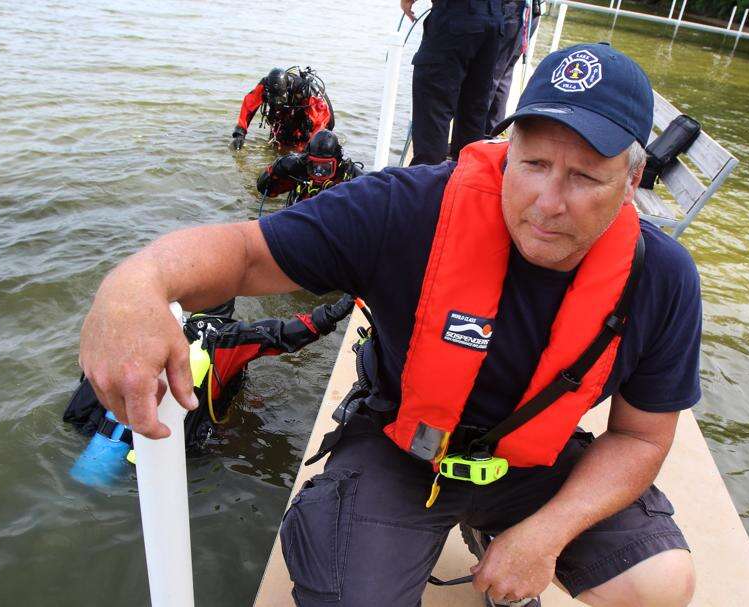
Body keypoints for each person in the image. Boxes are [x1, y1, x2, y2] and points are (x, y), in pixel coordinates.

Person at [80, 44, 699, 607]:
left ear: (631, 180)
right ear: (507, 151)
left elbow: (641, 437)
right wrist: (136, 282)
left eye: (585, 176)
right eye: (532, 163)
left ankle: (499, 527)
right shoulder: (408, 209)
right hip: (403, 445)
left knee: (661, 585)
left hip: (533, 466)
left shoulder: (662, 278)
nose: (548, 201)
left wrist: (547, 531)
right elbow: (245, 253)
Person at [403, 0, 504, 166]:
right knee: (474, 110)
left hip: (454, 18)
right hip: (494, 19)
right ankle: (466, 181)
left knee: (434, 110)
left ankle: (428, 185)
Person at [231, 66, 335, 152]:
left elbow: (321, 122)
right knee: (276, 147)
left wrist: (311, 149)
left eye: (280, 98)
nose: (277, 101)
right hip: (284, 117)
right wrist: (240, 134)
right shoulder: (265, 86)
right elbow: (249, 105)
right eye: (274, 98)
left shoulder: (305, 92)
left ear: (287, 89)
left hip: (307, 120)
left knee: (302, 152)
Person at [256, 130, 364, 207]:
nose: (319, 172)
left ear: (338, 162)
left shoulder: (350, 177)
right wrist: (277, 167)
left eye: (326, 167)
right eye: (314, 165)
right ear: (307, 160)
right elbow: (264, 189)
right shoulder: (301, 170)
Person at [486, 0, 542, 135]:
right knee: (503, 74)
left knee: (490, 75)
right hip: (528, 13)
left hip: (514, 11)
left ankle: (475, 136)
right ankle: (490, 132)